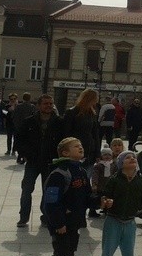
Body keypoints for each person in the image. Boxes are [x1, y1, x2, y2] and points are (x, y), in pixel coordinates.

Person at [27, 137, 97, 256]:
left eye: (81, 145)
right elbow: (50, 203)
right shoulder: (59, 174)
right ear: (65, 153)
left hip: (74, 222)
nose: (81, 148)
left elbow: (86, 197)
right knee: (61, 254)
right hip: (61, 224)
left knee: (69, 253)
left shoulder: (80, 171)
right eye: (76, 146)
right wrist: (58, 223)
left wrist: (100, 202)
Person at [16, 94, 65, 227]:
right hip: (33, 161)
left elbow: (64, 142)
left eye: (51, 103)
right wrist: (24, 154)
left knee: (48, 191)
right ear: (38, 105)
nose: (49, 106)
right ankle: (23, 216)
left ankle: (46, 216)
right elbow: (19, 139)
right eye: (45, 103)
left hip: (51, 162)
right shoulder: (29, 121)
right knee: (26, 189)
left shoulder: (60, 122)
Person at [63, 89, 100, 218]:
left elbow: (95, 134)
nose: (96, 101)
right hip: (75, 152)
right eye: (95, 98)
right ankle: (72, 209)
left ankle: (82, 212)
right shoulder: (72, 112)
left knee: (85, 183)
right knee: (75, 183)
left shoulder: (92, 113)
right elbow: (66, 134)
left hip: (89, 152)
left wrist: (97, 151)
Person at [13, 92, 36, 164]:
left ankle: (20, 156)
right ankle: (24, 157)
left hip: (19, 128)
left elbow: (14, 117)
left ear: (23, 98)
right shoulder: (32, 107)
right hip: (29, 129)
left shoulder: (18, 106)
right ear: (30, 98)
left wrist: (17, 126)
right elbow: (34, 117)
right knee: (27, 143)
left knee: (19, 143)